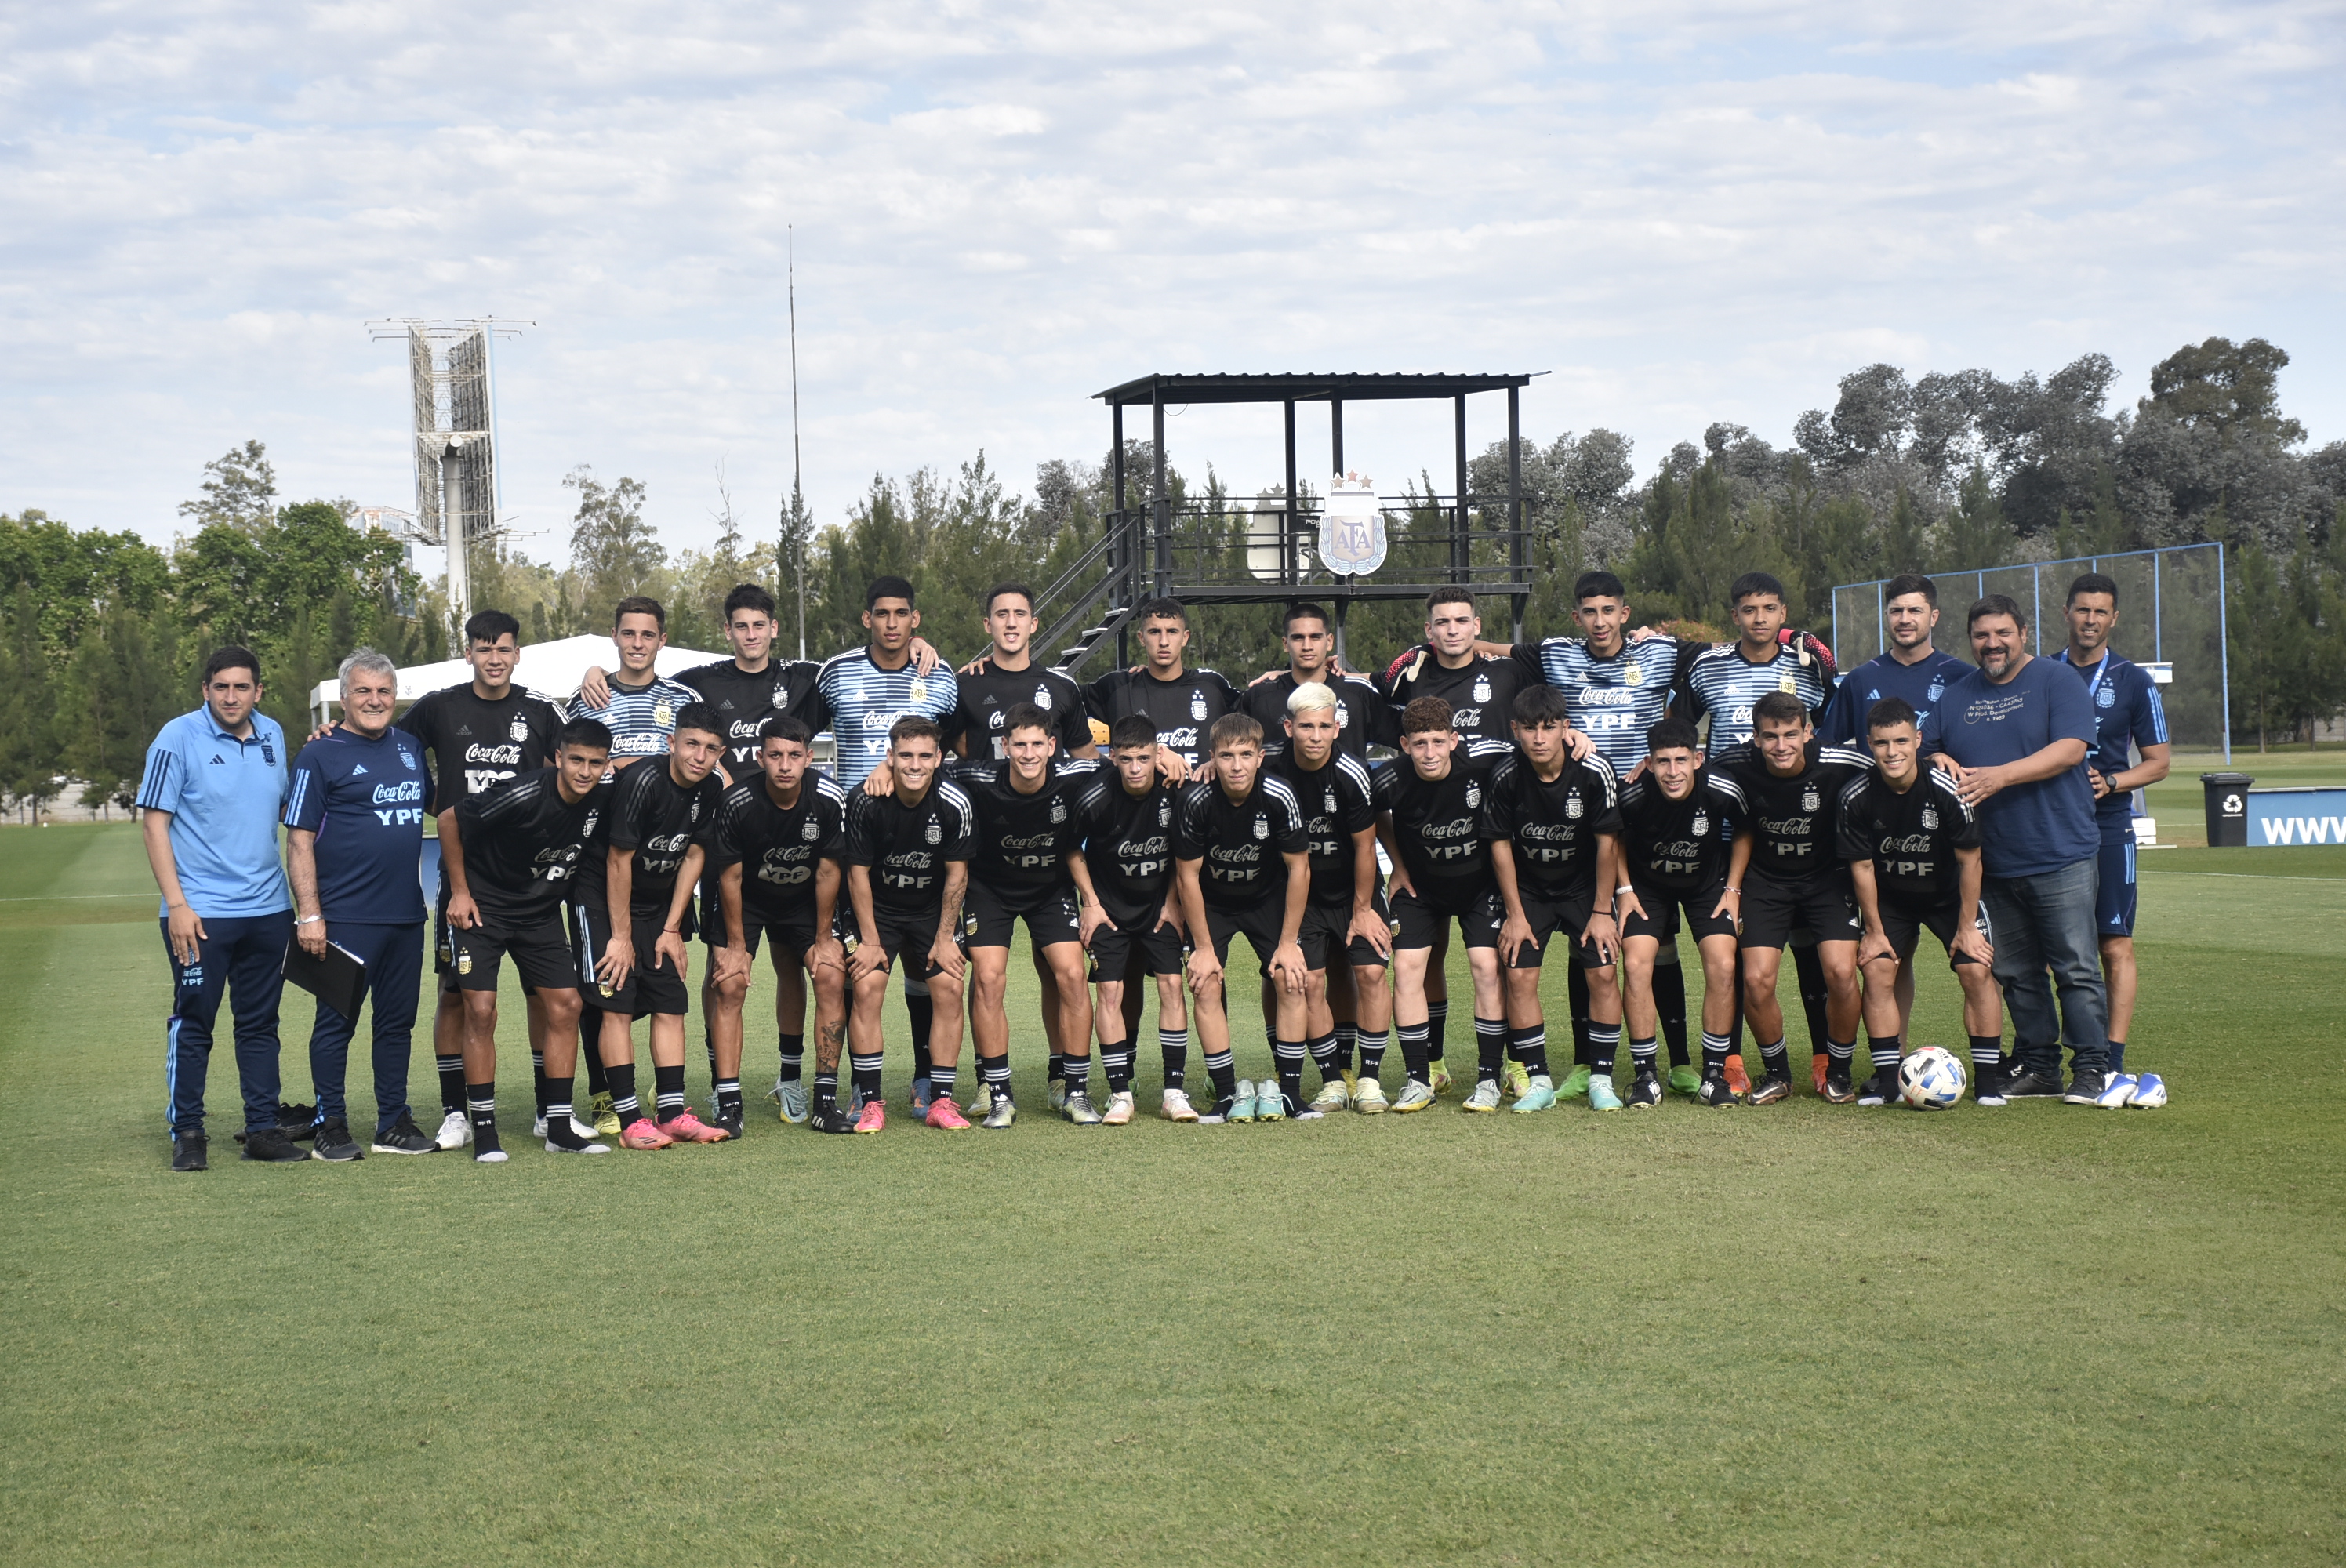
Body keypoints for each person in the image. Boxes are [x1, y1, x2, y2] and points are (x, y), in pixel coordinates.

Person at [1494, 570, 1697, 1098]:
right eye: (1591, 611)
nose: (1601, 621)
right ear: (1577, 616)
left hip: (1647, 809)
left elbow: (1727, 649)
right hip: (1583, 816)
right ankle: (1589, 1063)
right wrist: (1453, 640)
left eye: (1610, 611)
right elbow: (1500, 651)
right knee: (1587, 944)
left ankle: (1677, 1060)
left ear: (1625, 614)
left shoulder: (1661, 653)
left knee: (1659, 941)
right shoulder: (1557, 654)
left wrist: (1791, 639)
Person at [1924, 595, 2111, 1105]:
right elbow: (1925, 747)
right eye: (1982, 636)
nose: (1992, 644)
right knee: (2015, 972)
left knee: (2075, 967)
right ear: (1971, 640)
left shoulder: (2056, 681)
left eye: (2002, 633)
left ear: (2023, 633)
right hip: (1993, 862)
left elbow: (2072, 748)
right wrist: (1936, 753)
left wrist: (2000, 776)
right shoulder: (1958, 695)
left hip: (2060, 852)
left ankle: (2092, 1068)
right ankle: (2040, 1066)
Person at [394, 608, 568, 1149]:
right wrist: (431, 798)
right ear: (467, 652)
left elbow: (578, 762)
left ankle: (547, 1110)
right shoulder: (441, 706)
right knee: (456, 995)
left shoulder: (540, 710)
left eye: (504, 649)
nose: (494, 658)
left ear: (518, 654)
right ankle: (455, 1113)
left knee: (544, 994)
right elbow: (394, 750)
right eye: (484, 648)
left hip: (529, 878)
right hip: (464, 874)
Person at [1676, 571, 1840, 1093]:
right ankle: (1734, 1064)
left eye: (1769, 609)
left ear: (1783, 613)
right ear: (1735, 616)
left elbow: (1832, 730)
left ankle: (1821, 1058)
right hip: (1731, 835)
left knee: (1812, 952)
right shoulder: (1710, 665)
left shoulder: (1808, 666)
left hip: (1802, 831)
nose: (1760, 618)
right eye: (1749, 610)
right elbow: (1681, 725)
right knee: (1744, 956)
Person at [139, 646, 301, 1171]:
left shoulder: (274, 735)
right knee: (195, 1022)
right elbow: (154, 822)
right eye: (221, 687)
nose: (232, 697)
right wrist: (178, 904)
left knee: (260, 1025)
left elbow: (284, 808)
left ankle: (261, 1130)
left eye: (242, 687)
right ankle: (188, 1129)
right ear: (205, 689)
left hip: (269, 911)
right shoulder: (177, 737)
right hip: (200, 914)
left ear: (259, 690)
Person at [281, 648, 438, 1161]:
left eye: (384, 691)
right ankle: (330, 1125)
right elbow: (299, 839)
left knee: (397, 1025)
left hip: (405, 916)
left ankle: (392, 1121)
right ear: (344, 697)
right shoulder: (318, 755)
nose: (375, 700)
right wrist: (310, 914)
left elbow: (439, 806)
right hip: (343, 918)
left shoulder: (411, 747)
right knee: (335, 1024)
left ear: (395, 696)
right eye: (364, 691)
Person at [438, 717, 619, 1161]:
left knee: (567, 1004)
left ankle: (558, 1125)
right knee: (479, 1010)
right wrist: (460, 892)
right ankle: (484, 1131)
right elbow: (447, 820)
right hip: (483, 909)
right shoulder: (524, 793)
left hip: (538, 914)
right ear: (558, 757)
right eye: (575, 760)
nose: (584, 771)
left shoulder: (604, 800)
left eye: (595, 763)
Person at [949, 582, 1097, 1105]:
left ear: (1034, 624)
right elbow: (937, 754)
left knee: (1061, 970)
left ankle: (1065, 1078)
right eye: (1001, 614)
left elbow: (1089, 761)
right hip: (988, 860)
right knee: (987, 975)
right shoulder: (962, 686)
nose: (1011, 623)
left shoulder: (1061, 687)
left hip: (1049, 859)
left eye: (1020, 615)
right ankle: (992, 1083)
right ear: (987, 624)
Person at [1814, 572, 1973, 1058]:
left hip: (1944, 843)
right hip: (1879, 842)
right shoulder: (1861, 679)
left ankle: (2003, 1061)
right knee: (1889, 961)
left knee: (1979, 960)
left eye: (1915, 610)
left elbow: (1968, 753)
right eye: (1897, 610)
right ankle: (1896, 1063)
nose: (1905, 619)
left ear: (1934, 616)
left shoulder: (1962, 676)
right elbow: (1829, 751)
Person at [817, 576, 961, 1107]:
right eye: (882, 614)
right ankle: (863, 1091)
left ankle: (927, 1080)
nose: (893, 623)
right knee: (863, 975)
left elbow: (960, 742)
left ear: (915, 620)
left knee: (930, 977)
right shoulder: (836, 673)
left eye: (902, 614)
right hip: (856, 842)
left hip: (921, 845)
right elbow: (788, 732)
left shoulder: (939, 675)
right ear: (867, 619)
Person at [576, 702, 731, 1146]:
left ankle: (671, 1112)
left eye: (710, 749)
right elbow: (617, 860)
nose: (699, 756)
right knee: (617, 1003)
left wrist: (671, 928)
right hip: (604, 900)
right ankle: (629, 1121)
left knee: (670, 1001)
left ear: (720, 753)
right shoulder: (643, 782)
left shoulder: (711, 787)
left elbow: (696, 853)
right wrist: (620, 938)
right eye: (691, 745)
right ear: (672, 743)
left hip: (657, 905)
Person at [1836, 698, 2003, 1105]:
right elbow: (1862, 869)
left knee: (1975, 969)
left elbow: (1971, 862)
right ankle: (1890, 1084)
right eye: (1881, 744)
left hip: (1949, 897)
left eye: (1900, 741)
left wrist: (1965, 928)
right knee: (1877, 970)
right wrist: (1874, 931)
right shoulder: (1855, 796)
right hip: (1892, 898)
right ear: (1869, 746)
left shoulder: (1949, 787)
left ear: (1918, 741)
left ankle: (1989, 1085)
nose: (1892, 752)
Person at [1710, 691, 1870, 1103]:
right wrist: (1644, 765)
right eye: (1770, 737)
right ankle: (1778, 1073)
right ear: (1755, 738)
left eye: (1790, 735)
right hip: (1767, 883)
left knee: (1840, 973)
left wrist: (1936, 764)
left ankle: (1839, 1072)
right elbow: (1686, 775)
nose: (1781, 746)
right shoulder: (1734, 764)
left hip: (1827, 881)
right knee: (1756, 979)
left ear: (1809, 733)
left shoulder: (1841, 763)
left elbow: (1895, 770)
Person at [2052, 572, 2172, 1109]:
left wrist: (2114, 781)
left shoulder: (2132, 680)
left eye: (2101, 612)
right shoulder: (2042, 674)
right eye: (2082, 610)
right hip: (2049, 825)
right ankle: (2050, 1059)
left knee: (2112, 943)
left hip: (2108, 828)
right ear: (2067, 613)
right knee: (2053, 950)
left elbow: (2160, 762)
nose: (2090, 620)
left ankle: (2112, 1063)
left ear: (2114, 618)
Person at [1481, 685, 1624, 1111]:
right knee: (1520, 976)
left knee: (1602, 973)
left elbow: (1608, 846)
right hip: (1530, 891)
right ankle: (1539, 1081)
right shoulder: (1506, 775)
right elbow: (1500, 846)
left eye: (1548, 727)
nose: (1539, 738)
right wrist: (1515, 914)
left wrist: (1602, 911)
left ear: (1565, 727)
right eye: (1529, 729)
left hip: (1584, 890)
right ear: (1515, 730)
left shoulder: (1595, 771)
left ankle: (1601, 1077)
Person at [1371, 697, 1516, 1113]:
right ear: (1404, 744)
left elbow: (1534, 756)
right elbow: (1375, 817)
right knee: (1407, 968)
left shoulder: (1484, 770)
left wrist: (1576, 737)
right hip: (1421, 890)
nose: (1429, 753)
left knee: (1487, 968)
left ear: (1454, 740)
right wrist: (1397, 864)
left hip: (1478, 888)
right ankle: (1419, 1078)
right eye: (1419, 744)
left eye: (1438, 741)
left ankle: (1489, 1077)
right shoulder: (1388, 780)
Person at [708, 717, 852, 1131]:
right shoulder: (736, 801)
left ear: (809, 757)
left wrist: (825, 938)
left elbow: (828, 873)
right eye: (775, 756)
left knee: (828, 975)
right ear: (760, 758)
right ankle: (729, 1102)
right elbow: (730, 877)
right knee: (731, 982)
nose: (784, 765)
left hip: (804, 901)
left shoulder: (829, 798)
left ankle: (824, 1100)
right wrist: (736, 946)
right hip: (748, 901)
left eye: (794, 756)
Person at [1171, 713, 1313, 1123]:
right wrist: (1202, 947)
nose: (1236, 766)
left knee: (1290, 977)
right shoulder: (1195, 801)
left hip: (1266, 899)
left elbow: (1300, 870)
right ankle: (1226, 1094)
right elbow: (1187, 877)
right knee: (1205, 982)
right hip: (1212, 903)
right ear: (1212, 758)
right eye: (1227, 756)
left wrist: (1289, 942)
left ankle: (1289, 1093)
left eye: (1246, 755)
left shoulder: (1280, 796)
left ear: (1260, 757)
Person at [1260, 682, 1391, 1114]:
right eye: (1305, 727)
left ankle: (1369, 1079)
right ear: (1288, 727)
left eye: (1323, 727)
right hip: (1302, 899)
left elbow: (1365, 847)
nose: (1315, 736)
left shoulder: (1352, 772)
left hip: (1353, 893)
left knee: (1371, 974)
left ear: (1337, 729)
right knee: (1309, 982)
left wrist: (1363, 910)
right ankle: (1334, 1080)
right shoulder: (1271, 769)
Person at [840, 717, 975, 1131]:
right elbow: (856, 874)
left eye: (923, 756)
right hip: (876, 909)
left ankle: (942, 1100)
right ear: (890, 757)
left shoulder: (955, 802)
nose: (914, 765)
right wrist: (869, 940)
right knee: (867, 986)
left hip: (932, 909)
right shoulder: (864, 801)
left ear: (938, 758)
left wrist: (944, 938)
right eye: (905, 756)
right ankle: (869, 1100)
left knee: (950, 985)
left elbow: (957, 876)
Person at [1068, 717, 1194, 1123]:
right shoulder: (1094, 797)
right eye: (1126, 759)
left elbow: (1184, 853)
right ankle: (1121, 1094)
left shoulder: (1175, 791)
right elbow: (1070, 849)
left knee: (1173, 985)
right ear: (1113, 758)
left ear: (1159, 755)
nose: (1136, 768)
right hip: (1109, 910)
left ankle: (1174, 1092)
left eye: (1144, 758)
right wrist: (1090, 903)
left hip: (1160, 907)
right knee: (1110, 993)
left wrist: (1174, 901)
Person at [1614, 717, 1745, 1106]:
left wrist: (1733, 888)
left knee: (1723, 965)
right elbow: (1613, 838)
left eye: (1681, 761)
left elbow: (1745, 829)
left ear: (1698, 759)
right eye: (1663, 762)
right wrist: (1624, 889)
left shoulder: (1721, 789)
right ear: (1649, 763)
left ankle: (1713, 1077)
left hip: (1707, 887)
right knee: (1637, 965)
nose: (1673, 772)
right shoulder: (1633, 794)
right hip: (1647, 888)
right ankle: (1646, 1077)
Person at [1083, 597, 1243, 777]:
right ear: (1141, 638)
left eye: (1172, 631)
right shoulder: (1118, 687)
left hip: (1201, 801)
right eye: (1154, 632)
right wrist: (1095, 759)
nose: (1164, 641)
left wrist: (1281, 674)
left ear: (1185, 637)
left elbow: (1262, 710)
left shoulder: (1212, 686)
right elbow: (1062, 697)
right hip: (1138, 803)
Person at [1241, 603, 1389, 760]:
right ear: (1286, 644)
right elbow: (1225, 742)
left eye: (1315, 637)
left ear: (1330, 641)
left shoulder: (1359, 694)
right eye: (1298, 638)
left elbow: (1410, 737)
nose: (1307, 646)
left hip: (1345, 785)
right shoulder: (1260, 697)